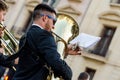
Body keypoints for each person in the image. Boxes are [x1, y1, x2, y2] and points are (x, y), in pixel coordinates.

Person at [12, 3, 81, 80]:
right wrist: (69, 73)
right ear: (45, 18)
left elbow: (39, 59)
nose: (54, 26)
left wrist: (65, 52)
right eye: (54, 21)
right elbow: (56, 63)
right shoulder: (45, 36)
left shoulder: (25, 36)